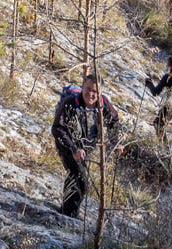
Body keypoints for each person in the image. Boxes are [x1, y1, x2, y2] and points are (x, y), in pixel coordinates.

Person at [50, 73, 121, 218]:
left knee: (76, 174)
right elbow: (57, 128)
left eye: (95, 91)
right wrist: (74, 149)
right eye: (88, 89)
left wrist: (116, 143)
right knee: (80, 177)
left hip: (86, 144)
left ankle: (67, 211)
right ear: (82, 87)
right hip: (67, 143)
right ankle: (69, 215)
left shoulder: (103, 104)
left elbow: (114, 122)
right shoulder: (70, 102)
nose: (91, 94)